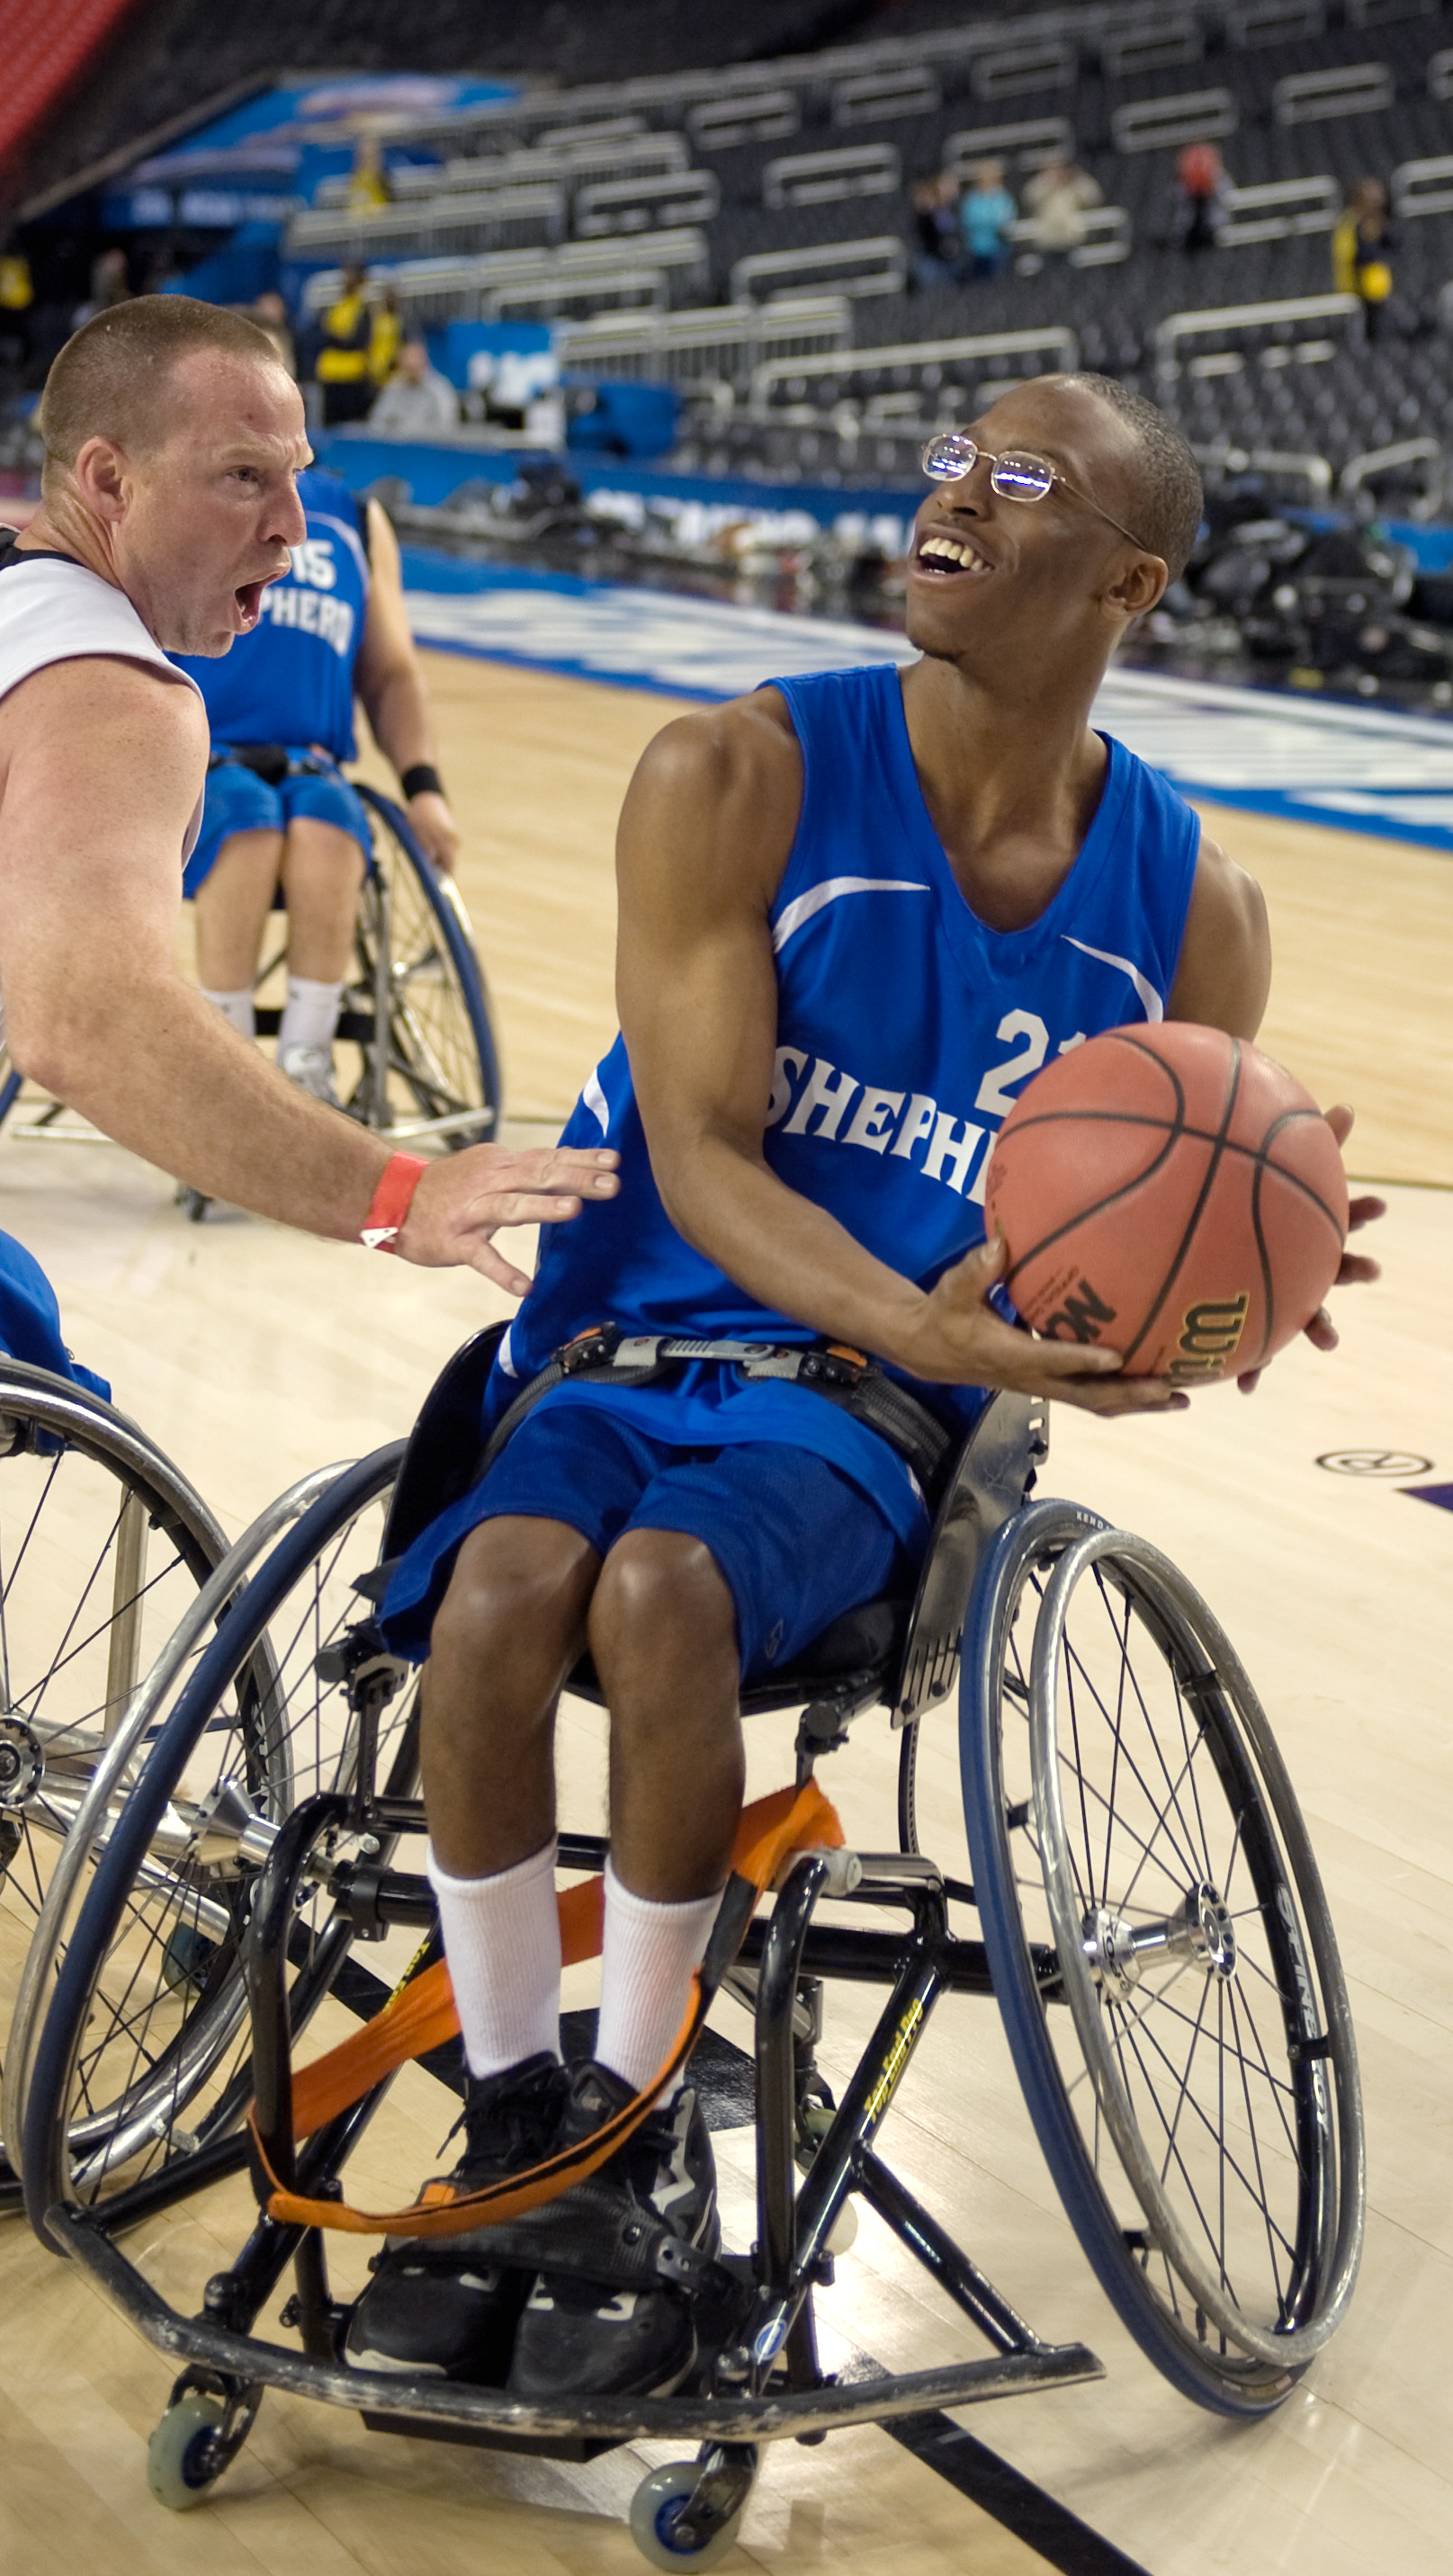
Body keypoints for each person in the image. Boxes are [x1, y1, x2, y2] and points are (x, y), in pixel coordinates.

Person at [343, 375, 1381, 2403]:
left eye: (1022, 485)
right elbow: (707, 1155)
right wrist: (925, 1316)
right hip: (636, 1329)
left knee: (660, 1597)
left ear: (1128, 580)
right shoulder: (730, 774)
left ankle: (628, 2134)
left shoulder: (1194, 911)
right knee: (495, 1593)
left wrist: (1235, 1270)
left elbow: (1147, 1227)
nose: (957, 501)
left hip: (868, 1410)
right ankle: (520, 2118)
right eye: (950, 465)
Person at [0, 294, 614, 1416]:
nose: (294, 523)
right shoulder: (115, 703)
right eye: (244, 478)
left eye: (297, 476)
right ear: (108, 482)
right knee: (30, 1383)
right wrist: (400, 1191)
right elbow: (90, 1028)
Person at [176, 471, 456, 1105]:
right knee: (245, 822)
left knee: (328, 824)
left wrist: (424, 787)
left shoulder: (352, 516)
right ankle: (226, 1077)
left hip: (311, 758)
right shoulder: (180, 484)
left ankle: (308, 1068)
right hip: (193, 755)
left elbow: (391, 674)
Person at [310, 266, 398, 425]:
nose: (345, 279)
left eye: (350, 274)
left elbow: (358, 340)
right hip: (331, 373)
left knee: (351, 425)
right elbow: (321, 334)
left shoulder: (366, 307)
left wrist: (335, 338)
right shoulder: (337, 303)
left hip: (354, 375)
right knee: (330, 424)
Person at [1331, 177, 1396, 340]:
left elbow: (1394, 244)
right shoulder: (1350, 223)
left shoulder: (1377, 223)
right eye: (1372, 200)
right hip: (1360, 296)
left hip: (1377, 295)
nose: (1378, 203)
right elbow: (1353, 257)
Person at [366, 334, 461, 437]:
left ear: (424, 363)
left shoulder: (440, 390)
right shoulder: (393, 387)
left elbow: (448, 425)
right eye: (407, 366)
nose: (411, 370)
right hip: (399, 446)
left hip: (430, 445)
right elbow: (377, 421)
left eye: (415, 366)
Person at [1018, 151, 1102, 259]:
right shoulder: (1041, 186)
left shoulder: (1074, 187)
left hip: (1070, 238)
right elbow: (1028, 198)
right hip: (1047, 240)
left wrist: (1078, 178)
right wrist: (1046, 181)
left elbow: (1094, 197)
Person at [955, 157, 1018, 281]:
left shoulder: (1002, 197)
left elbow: (1006, 221)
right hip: (976, 249)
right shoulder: (972, 200)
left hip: (998, 249)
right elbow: (968, 221)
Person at [1172, 144, 1233, 254]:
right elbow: (1178, 195)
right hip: (1190, 231)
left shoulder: (1220, 182)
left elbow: (1228, 197)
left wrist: (1210, 188)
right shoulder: (1182, 187)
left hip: (1214, 228)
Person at [909, 168, 961, 291]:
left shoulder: (957, 208)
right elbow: (923, 232)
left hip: (956, 258)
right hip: (931, 259)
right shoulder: (927, 212)